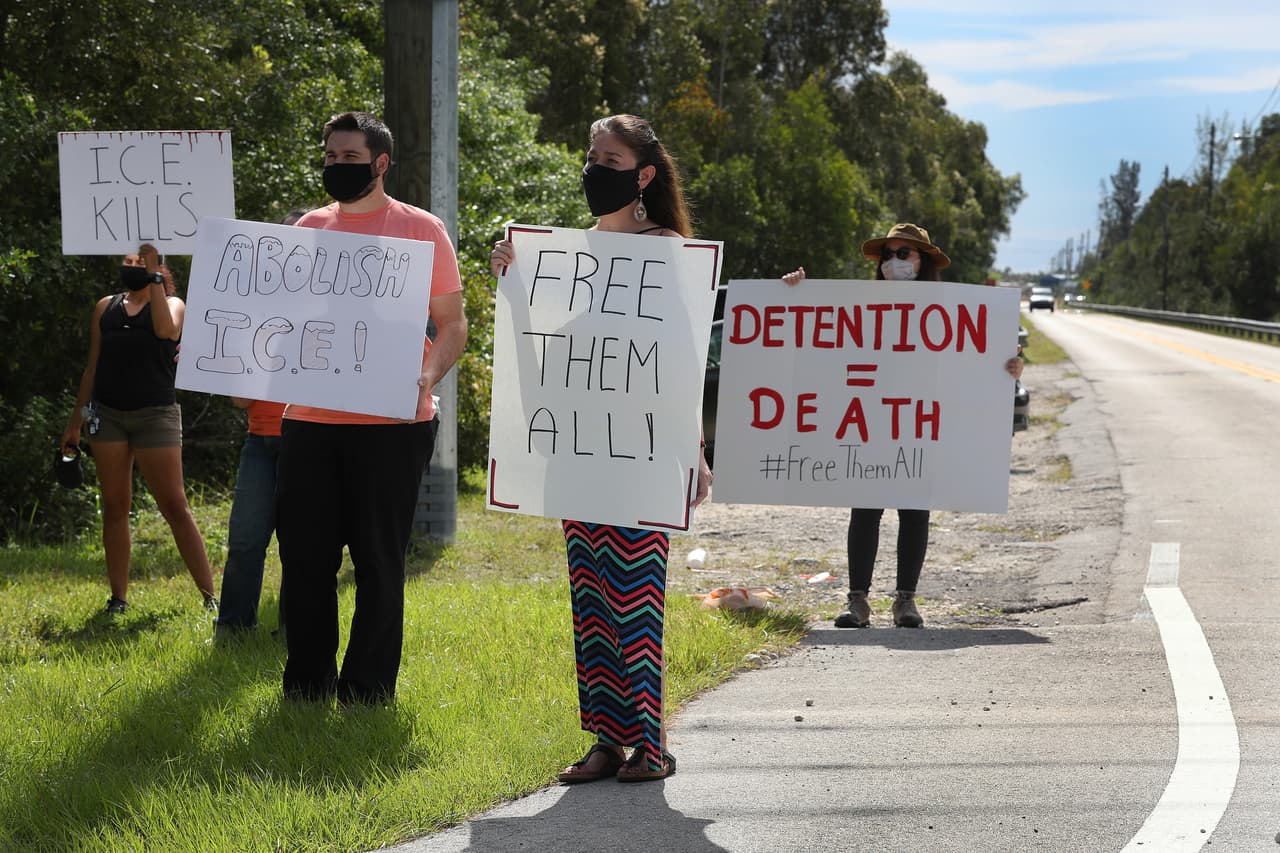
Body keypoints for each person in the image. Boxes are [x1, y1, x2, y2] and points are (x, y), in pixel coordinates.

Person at [489, 114, 713, 783]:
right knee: (589, 592)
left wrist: (693, 447)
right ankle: (607, 741)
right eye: (590, 155)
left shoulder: (665, 247)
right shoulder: (568, 251)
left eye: (609, 158)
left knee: (635, 592)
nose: (594, 168)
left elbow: (681, 352)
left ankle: (655, 742)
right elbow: (542, 338)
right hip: (579, 447)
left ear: (642, 174)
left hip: (641, 447)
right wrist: (511, 274)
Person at [277, 112, 467, 705]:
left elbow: (453, 323)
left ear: (380, 163)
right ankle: (307, 687)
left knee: (380, 561)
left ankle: (367, 691)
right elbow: (276, 317)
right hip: (308, 421)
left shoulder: (421, 229)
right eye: (330, 156)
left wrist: (427, 375)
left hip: (394, 424)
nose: (337, 165)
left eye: (349, 157)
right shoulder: (308, 227)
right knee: (305, 561)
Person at [782, 223, 1023, 629]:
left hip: (919, 423)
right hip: (871, 419)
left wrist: (1009, 369)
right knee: (866, 509)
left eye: (903, 254)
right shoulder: (858, 304)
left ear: (923, 261)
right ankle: (857, 601)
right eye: (887, 255)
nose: (893, 263)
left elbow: (973, 362)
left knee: (914, 511)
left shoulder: (950, 308)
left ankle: (905, 602)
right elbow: (808, 334)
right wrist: (792, 292)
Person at [62, 244, 218, 615]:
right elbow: (92, 369)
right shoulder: (106, 307)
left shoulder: (174, 304)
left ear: (159, 268)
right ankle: (119, 597)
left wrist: (154, 279)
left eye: (141, 262)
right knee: (115, 507)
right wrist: (75, 423)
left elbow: (166, 331)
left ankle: (210, 596)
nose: (132, 267)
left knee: (174, 505)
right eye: (128, 261)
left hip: (155, 416)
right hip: (109, 416)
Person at [214, 208, 310, 639]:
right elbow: (239, 397)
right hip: (260, 441)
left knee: (302, 548)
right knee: (246, 541)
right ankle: (233, 630)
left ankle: (296, 633)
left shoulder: (333, 308)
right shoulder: (253, 307)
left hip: (310, 440)